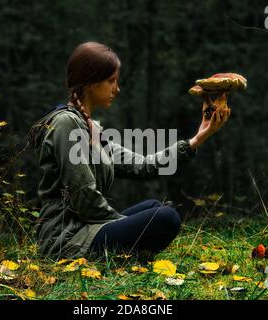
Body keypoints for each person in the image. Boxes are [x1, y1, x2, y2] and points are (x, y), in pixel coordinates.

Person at [28, 41, 230, 262]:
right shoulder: (66, 124)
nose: (117, 88)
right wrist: (124, 224)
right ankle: (129, 255)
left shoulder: (92, 128)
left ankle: (128, 255)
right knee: (165, 218)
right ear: (90, 83)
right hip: (65, 240)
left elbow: (144, 166)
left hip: (89, 227)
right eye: (111, 80)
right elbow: (83, 197)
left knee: (155, 207)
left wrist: (198, 138)